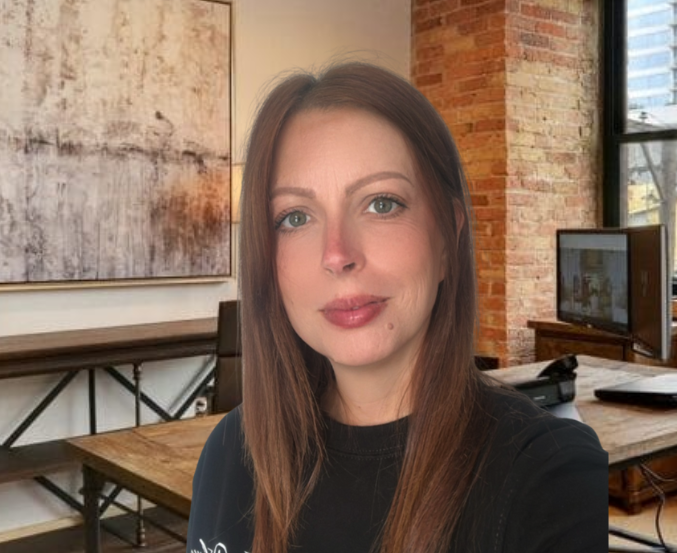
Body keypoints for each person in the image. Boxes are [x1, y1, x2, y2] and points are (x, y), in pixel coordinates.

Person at [187, 62, 607, 553]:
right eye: (295, 217)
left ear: (449, 236)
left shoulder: (547, 476)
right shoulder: (230, 453)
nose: (337, 254)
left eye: (381, 204)